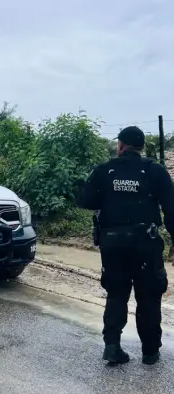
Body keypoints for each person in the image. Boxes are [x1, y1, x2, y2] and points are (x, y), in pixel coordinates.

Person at [77, 126, 174, 365]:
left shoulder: (104, 170)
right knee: (149, 296)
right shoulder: (156, 172)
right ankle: (150, 352)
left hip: (112, 244)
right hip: (145, 243)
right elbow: (171, 210)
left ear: (120, 146)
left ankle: (112, 346)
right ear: (141, 148)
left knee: (117, 293)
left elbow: (86, 201)